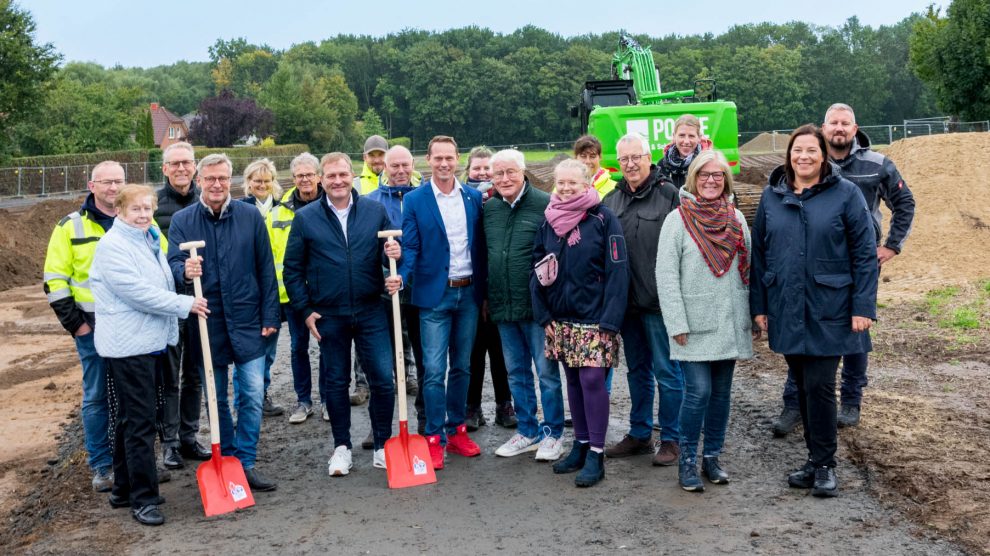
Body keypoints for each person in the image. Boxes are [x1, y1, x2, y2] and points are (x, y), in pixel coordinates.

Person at [750, 124, 878, 498]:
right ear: (788, 155)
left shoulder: (846, 195)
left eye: (811, 150)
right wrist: (760, 304)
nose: (803, 157)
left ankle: (825, 465)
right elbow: (760, 255)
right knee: (804, 385)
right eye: (796, 150)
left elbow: (865, 255)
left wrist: (862, 306)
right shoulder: (772, 197)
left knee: (821, 385)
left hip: (832, 307)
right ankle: (813, 459)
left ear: (823, 155)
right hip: (787, 306)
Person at [772, 103, 916, 435]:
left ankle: (850, 400)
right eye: (833, 123)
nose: (839, 128)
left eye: (845, 123)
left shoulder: (876, 165)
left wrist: (892, 245)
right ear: (823, 129)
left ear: (855, 129)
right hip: (814, 261)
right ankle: (794, 402)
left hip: (859, 264)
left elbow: (904, 202)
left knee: (855, 328)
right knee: (803, 326)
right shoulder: (811, 164)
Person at [90, 184, 209, 526]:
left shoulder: (148, 237)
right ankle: (144, 498)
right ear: (120, 211)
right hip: (129, 347)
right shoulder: (113, 246)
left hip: (148, 342)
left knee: (130, 417)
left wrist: (185, 275)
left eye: (147, 209)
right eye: (135, 210)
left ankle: (124, 489)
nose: (143, 215)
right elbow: (137, 293)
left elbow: (161, 280)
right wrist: (186, 304)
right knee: (141, 423)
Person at [166, 153, 281, 492]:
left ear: (230, 180)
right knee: (215, 397)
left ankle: (245, 462)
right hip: (207, 322)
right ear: (199, 180)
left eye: (222, 178)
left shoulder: (249, 216)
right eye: (210, 178)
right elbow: (172, 263)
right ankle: (227, 459)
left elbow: (265, 269)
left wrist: (270, 314)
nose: (216, 185)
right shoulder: (184, 221)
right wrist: (184, 272)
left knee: (252, 393)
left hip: (247, 318)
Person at [283, 152, 400, 475]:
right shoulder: (307, 218)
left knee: (383, 380)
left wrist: (395, 256)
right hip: (328, 314)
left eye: (343, 175)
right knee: (335, 383)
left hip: (370, 308)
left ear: (352, 176)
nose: (337, 181)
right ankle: (341, 447)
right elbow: (292, 269)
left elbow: (392, 255)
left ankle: (381, 444)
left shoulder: (375, 212)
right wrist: (305, 310)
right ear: (322, 179)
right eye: (331, 176)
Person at [656, 150, 753, 492]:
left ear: (725, 180)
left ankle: (711, 457)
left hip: (729, 322)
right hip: (692, 326)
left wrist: (750, 316)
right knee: (698, 392)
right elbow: (665, 276)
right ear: (693, 179)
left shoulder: (737, 219)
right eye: (704, 175)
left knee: (721, 394)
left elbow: (747, 270)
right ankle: (686, 460)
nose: (710, 181)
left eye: (717, 175)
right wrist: (676, 323)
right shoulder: (677, 220)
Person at [533, 159, 628, 487]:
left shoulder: (603, 218)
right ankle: (581, 445)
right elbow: (537, 267)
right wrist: (543, 315)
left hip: (596, 320)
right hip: (561, 318)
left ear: (587, 183)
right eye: (561, 183)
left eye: (573, 182)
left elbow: (618, 271)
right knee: (573, 380)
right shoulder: (548, 221)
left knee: (591, 381)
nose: (566, 188)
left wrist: (611, 321)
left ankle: (597, 455)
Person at [397, 135, 486, 470]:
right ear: (428, 160)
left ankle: (457, 429)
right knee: (434, 371)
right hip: (435, 295)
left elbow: (479, 248)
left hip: (468, 294)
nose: (445, 164)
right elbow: (411, 248)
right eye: (438, 158)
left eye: (450, 158)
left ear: (458, 159)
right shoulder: (416, 200)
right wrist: (402, 276)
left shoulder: (473, 197)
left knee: (462, 366)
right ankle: (434, 437)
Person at [601, 133, 684, 466]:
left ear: (649, 157)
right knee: (637, 371)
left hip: (659, 303)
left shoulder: (669, 196)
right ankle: (639, 432)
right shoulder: (610, 201)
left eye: (636, 157)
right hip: (627, 305)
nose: (631, 164)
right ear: (618, 163)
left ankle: (672, 438)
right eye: (624, 159)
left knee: (667, 371)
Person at [44, 161, 121, 492]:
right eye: (106, 183)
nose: (113, 188)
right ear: (92, 186)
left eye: (118, 181)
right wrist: (76, 325)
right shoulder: (69, 227)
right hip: (91, 327)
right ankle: (102, 466)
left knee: (137, 396)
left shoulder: (136, 219)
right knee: (96, 396)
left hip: (132, 328)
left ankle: (133, 461)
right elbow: (54, 280)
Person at [485, 149, 564, 461]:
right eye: (499, 174)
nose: (505, 179)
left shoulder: (544, 204)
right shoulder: (489, 209)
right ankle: (528, 430)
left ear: (523, 173)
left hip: (537, 308)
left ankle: (553, 433)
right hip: (504, 306)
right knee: (515, 372)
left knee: (546, 373)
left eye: (511, 173)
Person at [155, 141, 211, 471]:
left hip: (199, 301)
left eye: (186, 163)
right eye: (174, 164)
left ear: (195, 167)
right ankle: (170, 442)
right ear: (165, 169)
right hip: (169, 304)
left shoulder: (205, 201)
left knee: (195, 375)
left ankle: (190, 436)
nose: (181, 169)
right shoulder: (155, 205)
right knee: (169, 378)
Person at [365, 145, 422, 430]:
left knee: (425, 357)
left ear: (413, 165)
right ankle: (382, 427)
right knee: (383, 358)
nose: (400, 171)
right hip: (384, 290)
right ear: (384, 168)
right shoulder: (371, 202)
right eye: (394, 166)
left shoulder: (425, 197)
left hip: (420, 289)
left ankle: (426, 424)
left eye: (405, 165)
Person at [274, 153, 329, 425]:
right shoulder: (279, 211)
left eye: (309, 174)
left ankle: (328, 400)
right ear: (293, 179)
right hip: (294, 293)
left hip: (325, 290)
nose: (305, 179)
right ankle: (303, 400)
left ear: (318, 176)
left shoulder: (331, 205)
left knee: (328, 345)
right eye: (299, 175)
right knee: (298, 347)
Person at [462, 146, 514, 430]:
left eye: (487, 169)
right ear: (467, 170)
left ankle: (504, 404)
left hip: (499, 288)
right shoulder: (463, 200)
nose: (482, 173)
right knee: (472, 351)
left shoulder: (503, 200)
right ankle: (471, 407)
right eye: (477, 168)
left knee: (499, 350)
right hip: (471, 287)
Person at [239, 158, 285, 417]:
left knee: (269, 349)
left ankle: (262, 394)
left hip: (276, 293)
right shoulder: (240, 209)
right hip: (248, 292)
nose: (262, 185)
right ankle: (246, 401)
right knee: (247, 350)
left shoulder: (283, 210)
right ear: (248, 183)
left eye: (267, 181)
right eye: (257, 181)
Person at [657, 114, 713, 188]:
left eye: (691, 136)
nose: (686, 141)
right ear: (674, 136)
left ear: (699, 138)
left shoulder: (708, 163)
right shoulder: (663, 165)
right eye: (682, 135)